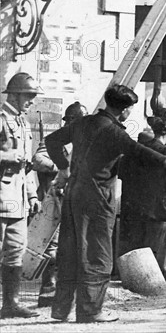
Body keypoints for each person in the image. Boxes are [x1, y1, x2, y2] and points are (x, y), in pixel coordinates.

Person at [45, 85, 166, 323]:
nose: (130, 113)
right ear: (123, 110)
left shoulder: (84, 122)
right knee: (98, 252)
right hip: (97, 196)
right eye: (130, 109)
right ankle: (90, 311)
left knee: (69, 251)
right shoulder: (112, 131)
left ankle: (60, 310)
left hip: (74, 193)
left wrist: (64, 167)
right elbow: (137, 150)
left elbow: (52, 141)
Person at [31, 102, 88, 307]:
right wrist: (62, 168)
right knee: (52, 248)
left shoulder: (83, 141)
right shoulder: (58, 140)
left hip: (75, 201)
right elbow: (38, 159)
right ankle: (48, 289)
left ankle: (68, 293)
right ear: (71, 121)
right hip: (53, 201)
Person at [0, 72, 42, 319]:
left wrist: (33, 195)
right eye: (28, 96)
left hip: (18, 201)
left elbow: (26, 166)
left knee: (15, 251)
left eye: (34, 96)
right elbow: (14, 159)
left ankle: (11, 303)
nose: (32, 101)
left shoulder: (23, 124)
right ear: (14, 95)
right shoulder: (1, 119)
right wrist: (5, 156)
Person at [118, 117, 166, 271]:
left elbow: (122, 174)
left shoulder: (134, 152)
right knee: (155, 246)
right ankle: (154, 282)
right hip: (159, 204)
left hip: (134, 204)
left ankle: (134, 279)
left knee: (134, 246)